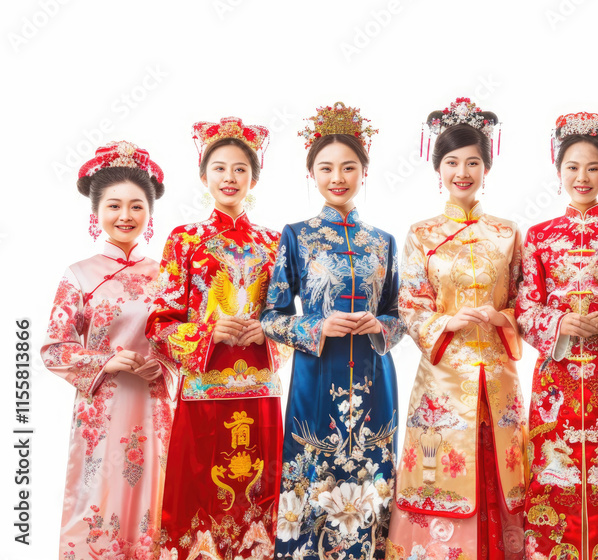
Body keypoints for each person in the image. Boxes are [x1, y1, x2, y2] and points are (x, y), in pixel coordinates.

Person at [262, 103, 406, 559]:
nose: (337, 177)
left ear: (364, 171)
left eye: (348, 167)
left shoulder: (382, 241)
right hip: (316, 378)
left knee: (374, 478)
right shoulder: (296, 236)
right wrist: (318, 325)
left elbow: (400, 314)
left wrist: (379, 324)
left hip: (374, 379)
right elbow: (272, 316)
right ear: (311, 173)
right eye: (326, 168)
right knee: (312, 474)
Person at [387, 97, 527, 560]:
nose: (462, 171)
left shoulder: (508, 232)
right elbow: (409, 302)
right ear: (438, 169)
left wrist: (502, 316)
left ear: (487, 167)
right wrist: (446, 321)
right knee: (439, 474)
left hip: (497, 375)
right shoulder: (420, 234)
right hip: (444, 379)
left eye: (473, 161)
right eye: (452, 162)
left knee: (498, 472)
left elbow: (527, 297)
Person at [146, 117, 287, 560]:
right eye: (220, 168)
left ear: (254, 177)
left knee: (259, 493)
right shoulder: (185, 240)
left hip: (259, 389)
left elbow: (288, 321)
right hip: (204, 391)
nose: (230, 178)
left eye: (240, 169)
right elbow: (160, 324)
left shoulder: (274, 242)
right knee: (200, 492)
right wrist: (209, 331)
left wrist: (268, 330)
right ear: (203, 175)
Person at [516, 111, 598, 559]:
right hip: (555, 381)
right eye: (572, 167)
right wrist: (558, 323)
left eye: (593, 167)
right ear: (558, 172)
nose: (583, 176)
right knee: (554, 483)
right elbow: (526, 306)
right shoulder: (538, 236)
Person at [42, 141, 170, 560]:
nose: (125, 216)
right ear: (97, 214)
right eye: (114, 206)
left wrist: (164, 363)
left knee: (156, 499)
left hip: (155, 406)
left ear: (149, 214)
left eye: (136, 206)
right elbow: (53, 348)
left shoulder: (166, 276)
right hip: (102, 407)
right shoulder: (79, 275)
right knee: (97, 499)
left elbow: (184, 338)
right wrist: (106, 361)